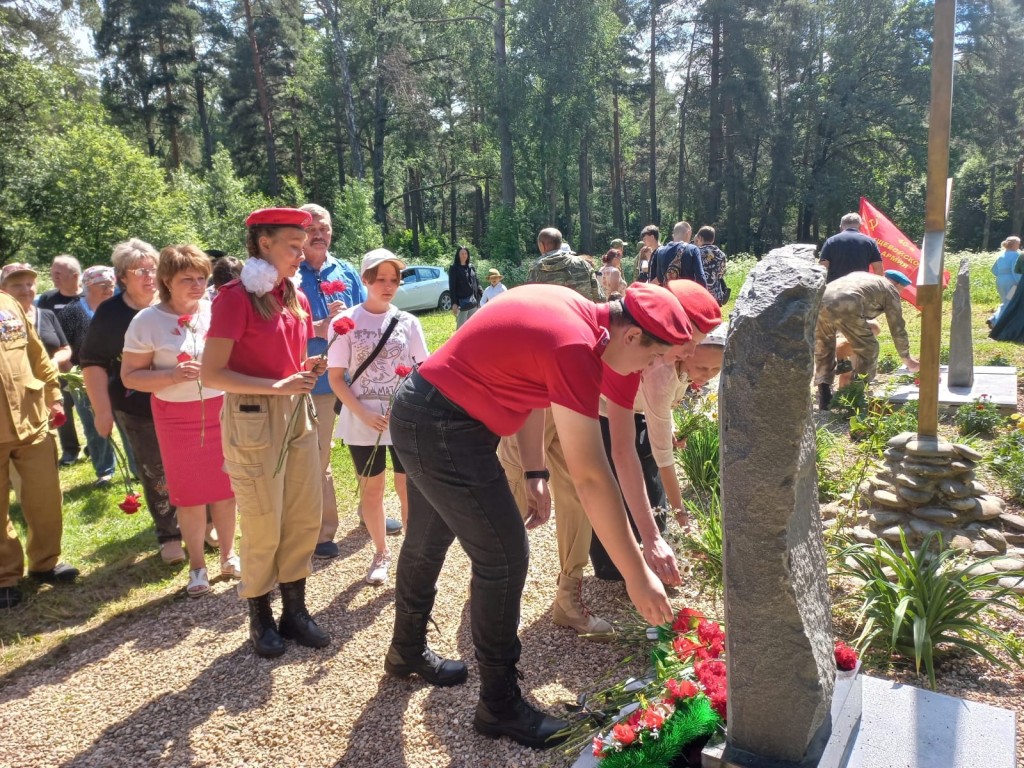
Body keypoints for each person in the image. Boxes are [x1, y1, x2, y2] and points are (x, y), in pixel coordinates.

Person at [383, 283, 688, 749]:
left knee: (428, 538)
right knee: (503, 557)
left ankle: (405, 651)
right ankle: (499, 706)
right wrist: (635, 573)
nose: (649, 370)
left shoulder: (578, 313)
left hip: (427, 410)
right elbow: (590, 474)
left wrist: (534, 469)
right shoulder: (576, 345)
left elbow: (530, 388)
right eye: (652, 358)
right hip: (443, 425)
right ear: (632, 338)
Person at [201, 207, 329, 658]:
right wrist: (276, 385)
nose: (303, 253)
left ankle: (295, 611)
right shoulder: (234, 298)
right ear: (263, 244)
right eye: (293, 246)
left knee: (301, 515)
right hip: (254, 416)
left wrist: (305, 369)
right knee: (261, 520)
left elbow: (285, 360)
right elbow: (212, 373)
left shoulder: (293, 294)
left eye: (305, 244)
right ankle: (260, 617)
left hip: (297, 413)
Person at [121, 245, 239, 599]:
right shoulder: (147, 321)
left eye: (202, 277)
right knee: (188, 496)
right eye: (187, 278)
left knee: (226, 487)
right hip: (176, 417)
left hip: (220, 408)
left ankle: (230, 554)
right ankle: (197, 566)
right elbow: (130, 377)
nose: (197, 285)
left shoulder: (214, 310)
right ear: (167, 281)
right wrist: (172, 375)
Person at [589, 283, 724, 580]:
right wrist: (680, 513)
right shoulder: (660, 370)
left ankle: (648, 556)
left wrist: (670, 427)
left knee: (644, 480)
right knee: (617, 484)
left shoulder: (680, 361)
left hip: (634, 412)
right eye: (701, 366)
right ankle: (618, 566)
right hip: (605, 414)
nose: (704, 376)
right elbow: (662, 454)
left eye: (715, 371)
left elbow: (660, 421)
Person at [327, 249, 429, 586]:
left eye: (394, 280)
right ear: (366, 280)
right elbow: (336, 377)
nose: (388, 286)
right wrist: (362, 412)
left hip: (402, 417)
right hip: (362, 418)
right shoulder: (346, 322)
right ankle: (381, 553)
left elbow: (423, 369)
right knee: (372, 489)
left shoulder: (407, 321)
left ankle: (412, 559)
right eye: (380, 279)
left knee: (408, 489)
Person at [80, 240, 182, 561]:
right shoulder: (112, 314)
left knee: (189, 461)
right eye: (141, 271)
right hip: (138, 406)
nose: (149, 276)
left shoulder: (174, 301)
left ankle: (202, 522)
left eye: (154, 269)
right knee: (155, 469)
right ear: (122, 277)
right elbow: (93, 361)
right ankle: (169, 534)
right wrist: (101, 411)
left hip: (184, 400)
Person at [295, 203, 385, 561]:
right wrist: (317, 328)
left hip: (354, 379)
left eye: (325, 227)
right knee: (319, 457)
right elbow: (277, 333)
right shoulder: (287, 276)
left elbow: (369, 315)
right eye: (312, 228)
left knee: (368, 446)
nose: (319, 234)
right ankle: (324, 530)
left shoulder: (346, 272)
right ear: (300, 233)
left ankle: (371, 514)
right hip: (315, 382)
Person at [0, 287, 77, 609]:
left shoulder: (7, 302)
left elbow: (36, 354)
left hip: (30, 420)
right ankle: (5, 575)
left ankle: (45, 561)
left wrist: (54, 396)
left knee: (45, 497)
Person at [58, 266, 128, 486]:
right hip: (86, 377)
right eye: (103, 285)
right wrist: (74, 375)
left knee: (127, 423)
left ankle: (137, 468)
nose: (109, 289)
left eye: (111, 285)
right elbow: (63, 346)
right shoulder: (71, 313)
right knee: (94, 425)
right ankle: (105, 470)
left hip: (120, 376)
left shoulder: (119, 309)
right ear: (88, 285)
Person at [814, 269, 920, 411]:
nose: (899, 293)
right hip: (848, 303)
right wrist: (906, 357)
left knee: (824, 348)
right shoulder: (890, 289)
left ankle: (825, 396)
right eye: (901, 290)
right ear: (896, 284)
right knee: (869, 348)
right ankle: (856, 395)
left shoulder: (865, 278)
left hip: (821, 299)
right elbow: (897, 327)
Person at [37, 255, 83, 467]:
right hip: (59, 364)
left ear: (74, 276)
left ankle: (96, 446)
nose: (52, 277)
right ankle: (70, 450)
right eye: (52, 272)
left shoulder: (88, 296)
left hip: (88, 365)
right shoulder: (47, 299)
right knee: (63, 407)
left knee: (91, 410)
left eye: (58, 273)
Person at [526, 228, 604, 301]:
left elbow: (530, 299)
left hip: (549, 315)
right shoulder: (583, 263)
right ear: (560, 244)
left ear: (541, 245)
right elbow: (599, 297)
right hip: (580, 314)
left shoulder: (535, 268)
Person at [818, 212, 884, 283]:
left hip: (835, 287)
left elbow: (823, 267)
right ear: (860, 226)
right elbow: (879, 271)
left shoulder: (831, 241)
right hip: (860, 287)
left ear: (841, 227)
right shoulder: (870, 242)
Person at [989, 236, 1022, 326]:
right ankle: (995, 322)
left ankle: (994, 318)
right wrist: (1020, 282)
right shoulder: (1016, 255)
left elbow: (994, 270)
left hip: (1000, 280)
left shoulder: (1001, 255)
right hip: (1012, 283)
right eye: (1018, 243)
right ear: (1014, 245)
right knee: (1009, 302)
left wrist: (1003, 275)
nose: (1019, 245)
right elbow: (1015, 270)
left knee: (1005, 301)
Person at [448, 246, 482, 328]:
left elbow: (476, 283)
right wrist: (454, 303)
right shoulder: (454, 269)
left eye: (466, 253)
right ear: (458, 255)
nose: (464, 255)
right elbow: (452, 287)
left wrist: (481, 295)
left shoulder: (471, 267)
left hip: (473, 302)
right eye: (462, 253)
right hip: (462, 304)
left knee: (473, 328)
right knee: (461, 328)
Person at [694, 226, 729, 305]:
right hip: (715, 296)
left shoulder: (695, 253)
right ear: (713, 239)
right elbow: (721, 274)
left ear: (700, 238)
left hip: (699, 294)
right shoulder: (721, 254)